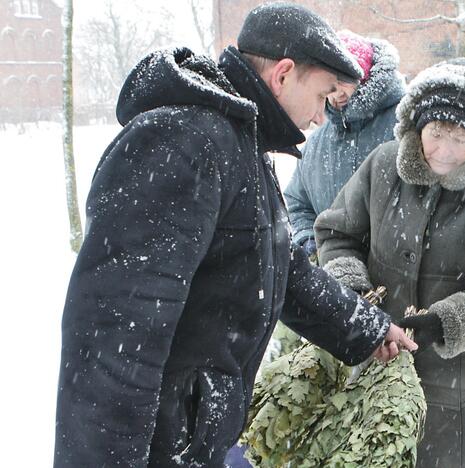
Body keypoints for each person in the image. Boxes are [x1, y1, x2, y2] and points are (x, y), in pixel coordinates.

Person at [53, 4, 415, 467]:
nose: (322, 117)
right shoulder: (183, 141)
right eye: (324, 95)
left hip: (195, 435)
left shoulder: (240, 142)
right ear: (284, 75)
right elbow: (116, 332)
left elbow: (281, 270)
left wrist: (368, 329)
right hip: (157, 446)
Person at [314, 59, 465, 467]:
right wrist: (353, 294)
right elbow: (337, 233)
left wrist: (449, 320)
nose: (445, 152)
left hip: (460, 390)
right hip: (377, 367)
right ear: (417, 127)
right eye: (436, 134)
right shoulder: (383, 166)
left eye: (460, 138)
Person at [285, 30, 405, 261]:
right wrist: (312, 243)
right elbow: (297, 203)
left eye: (345, 80)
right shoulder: (317, 142)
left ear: (366, 76)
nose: (336, 92)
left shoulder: (405, 126)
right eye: (331, 82)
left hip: (396, 279)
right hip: (335, 279)